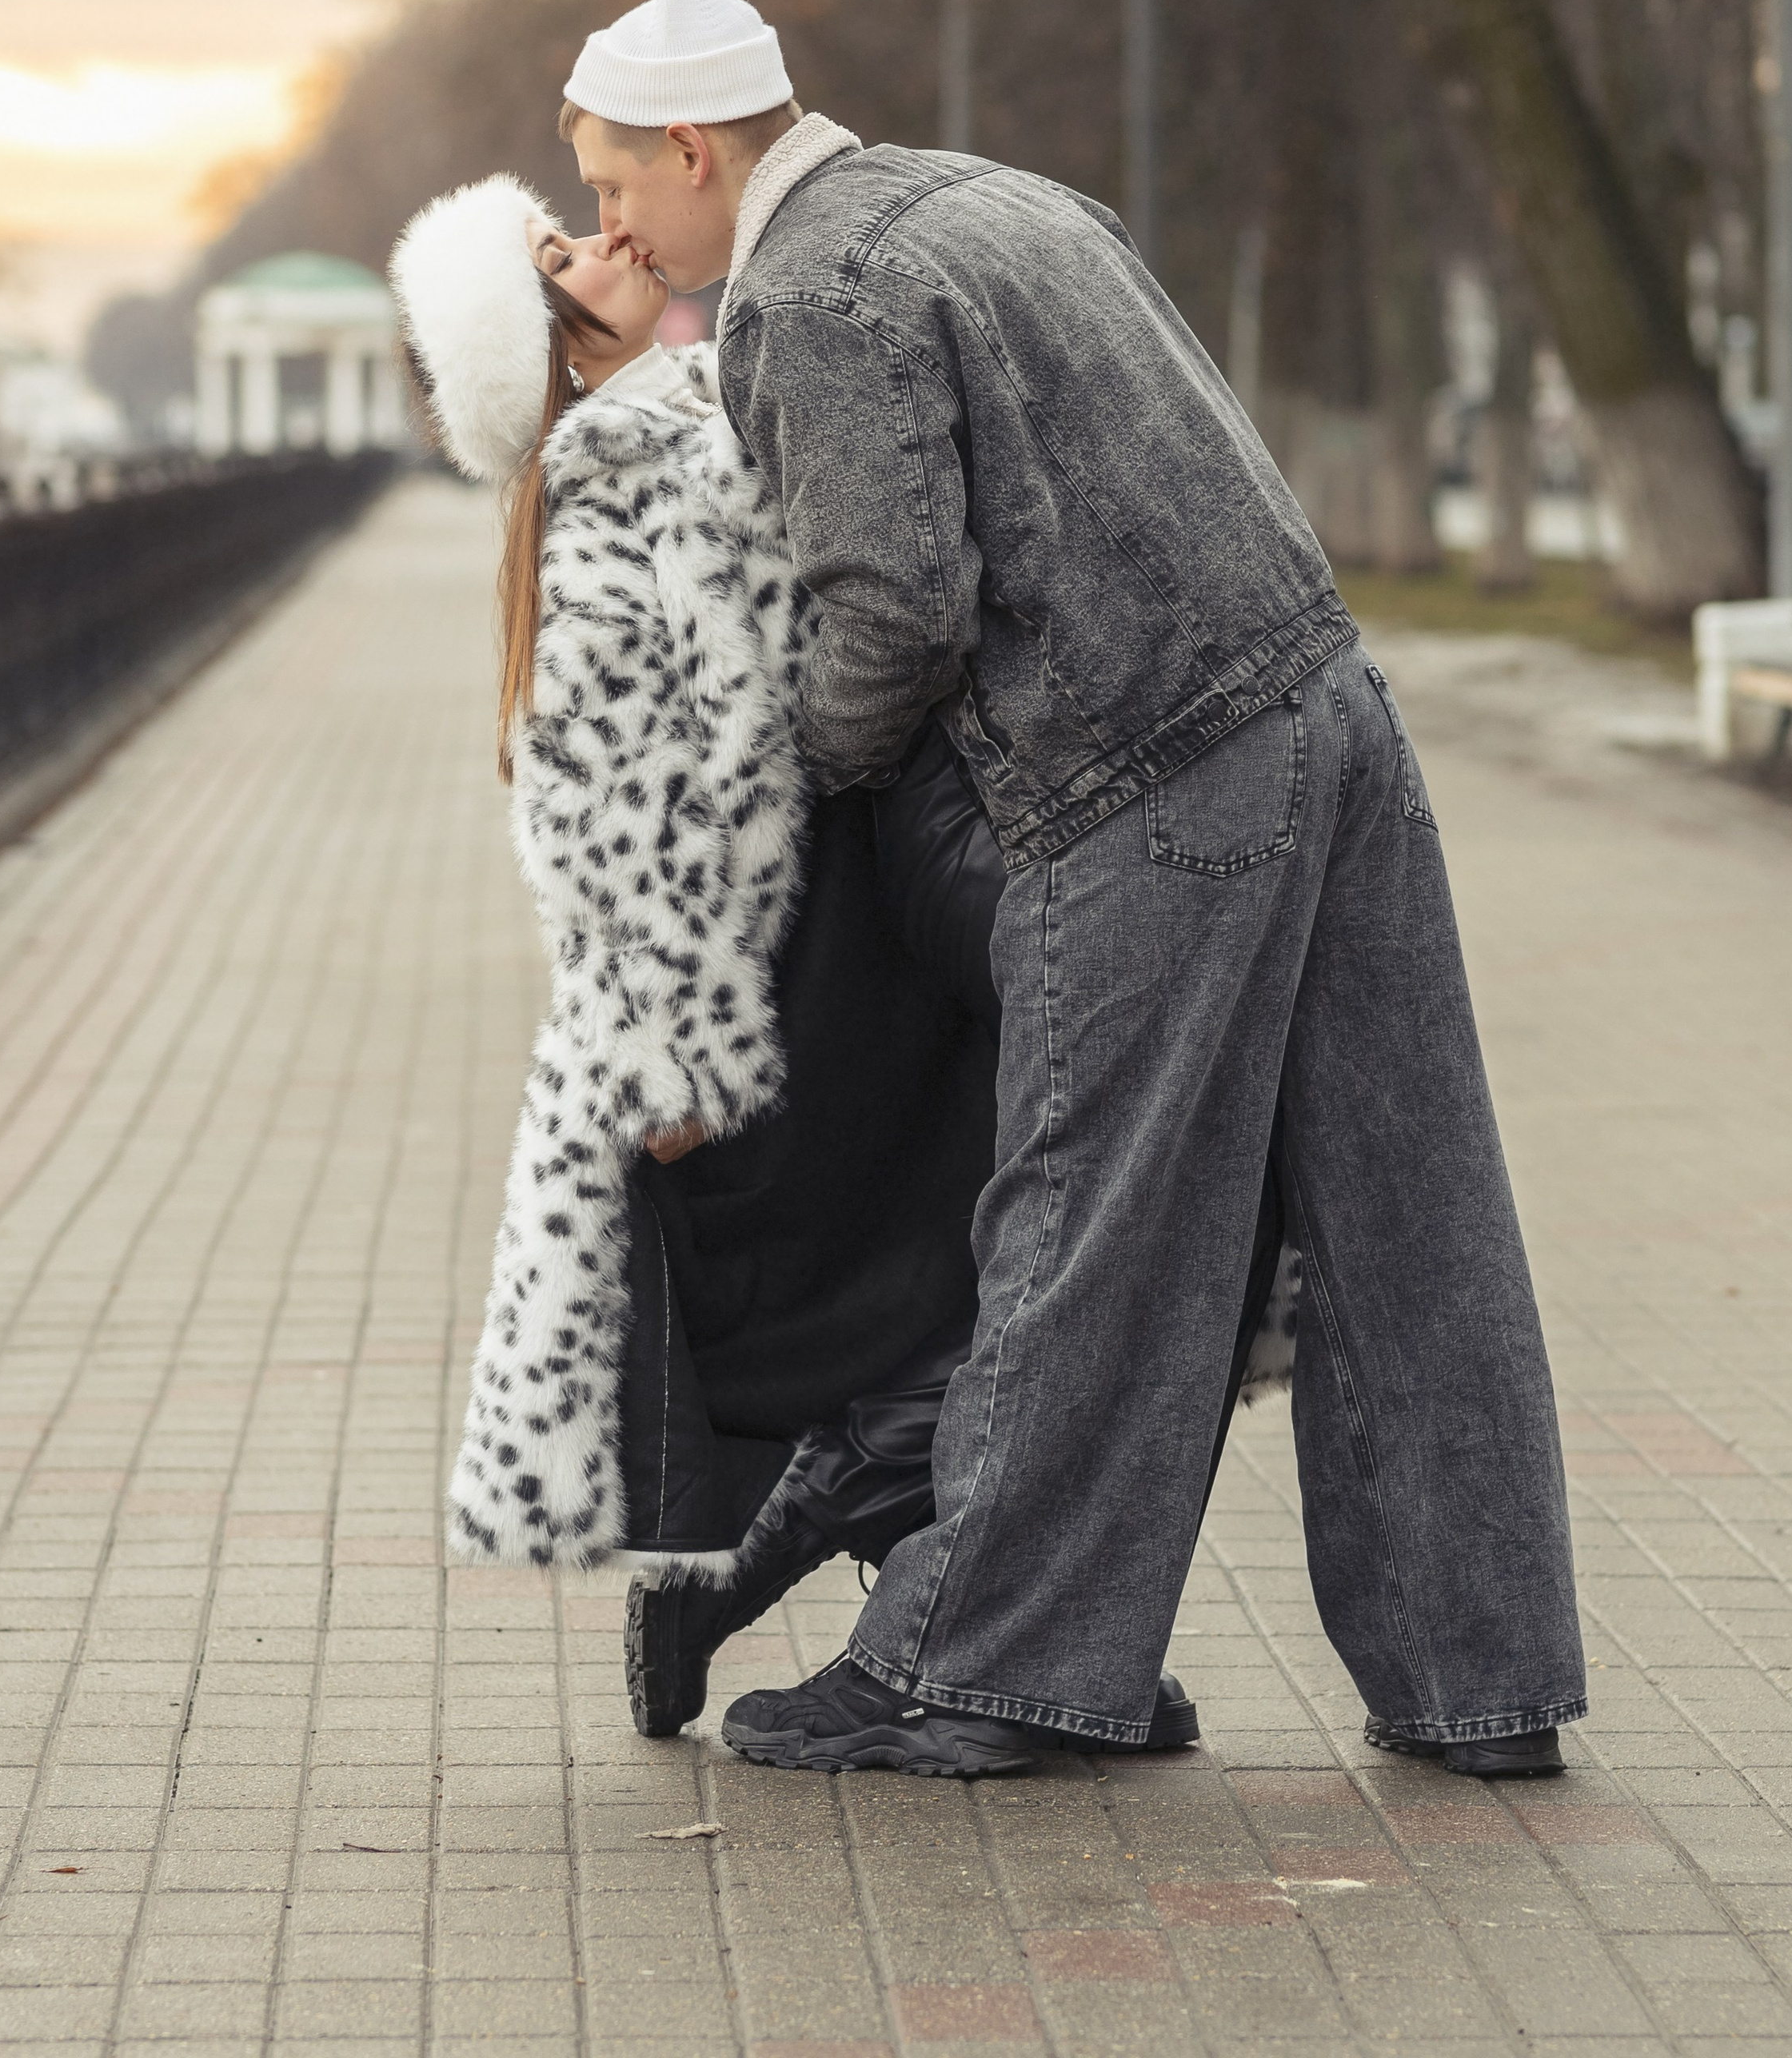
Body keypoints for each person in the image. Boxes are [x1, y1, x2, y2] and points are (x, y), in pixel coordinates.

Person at [561, 0, 1587, 1782]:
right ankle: (1473, 1675)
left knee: (1093, 1230)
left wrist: (780, 808)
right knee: (1407, 1219)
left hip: (1145, 777)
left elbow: (885, 619)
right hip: (1329, 706)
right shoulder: (994, 198)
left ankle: (989, 1664)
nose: (608, 219)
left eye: (616, 182)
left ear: (697, 149)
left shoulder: (817, 286)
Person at [387, 172, 1215, 1757]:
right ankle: (979, 1620)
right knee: (963, 1272)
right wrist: (669, 1042)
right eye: (571, 254)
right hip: (804, 954)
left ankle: (1002, 1625)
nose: (611, 236)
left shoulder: (676, 420)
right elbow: (598, 792)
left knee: (958, 1264)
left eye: (591, 218)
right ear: (553, 347)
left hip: (837, 921)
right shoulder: (637, 460)